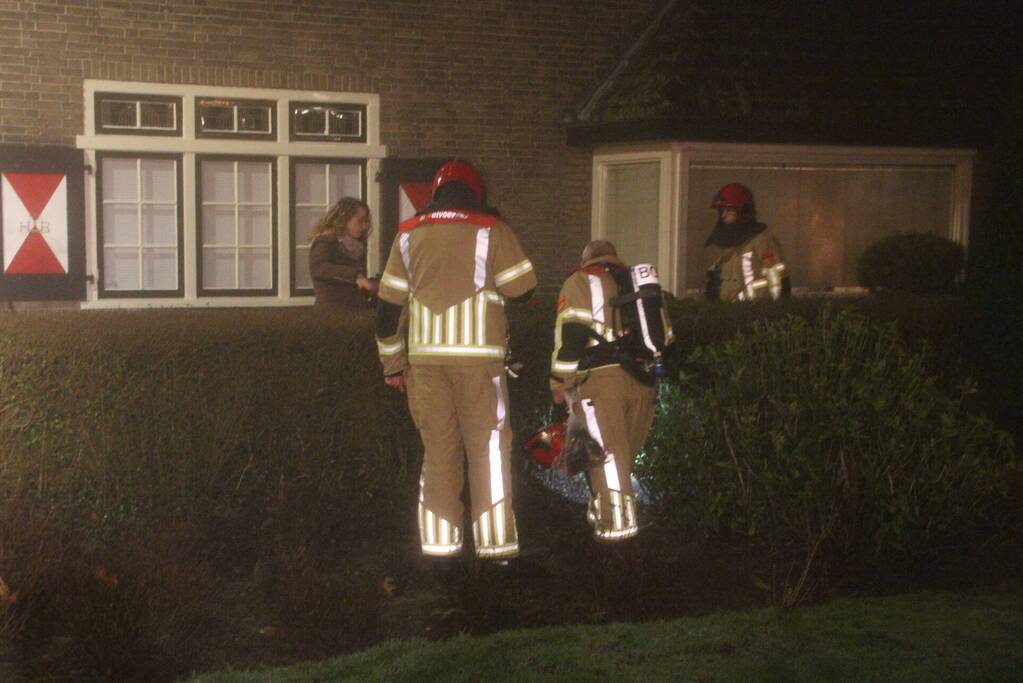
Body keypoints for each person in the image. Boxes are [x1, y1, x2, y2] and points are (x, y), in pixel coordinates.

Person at [374, 159, 536, 561]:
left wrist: (393, 365)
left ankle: (440, 546)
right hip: (479, 363)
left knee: (439, 450)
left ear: (436, 193)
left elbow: (387, 310)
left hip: (426, 364)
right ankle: (495, 545)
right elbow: (523, 289)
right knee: (489, 450)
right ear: (477, 194)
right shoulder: (492, 229)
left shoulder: (407, 234)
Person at [549, 240, 674, 542]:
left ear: (586, 260)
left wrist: (559, 381)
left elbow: (572, 334)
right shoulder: (636, 284)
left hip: (601, 384)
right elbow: (666, 335)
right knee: (622, 461)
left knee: (607, 461)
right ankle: (611, 521)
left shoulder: (580, 281)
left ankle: (618, 534)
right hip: (642, 382)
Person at [703, 183, 790, 302]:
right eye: (722, 210)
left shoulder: (762, 241)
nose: (723, 215)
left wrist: (773, 308)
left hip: (756, 311)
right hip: (730, 311)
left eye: (729, 210)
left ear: (743, 211)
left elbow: (778, 282)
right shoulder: (729, 245)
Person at [308, 197, 378, 308]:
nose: (364, 226)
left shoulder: (357, 246)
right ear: (345, 218)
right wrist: (355, 276)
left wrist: (370, 286)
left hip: (355, 312)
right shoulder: (326, 240)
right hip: (332, 313)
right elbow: (318, 268)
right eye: (360, 221)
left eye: (366, 222)